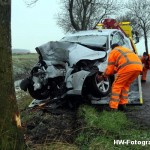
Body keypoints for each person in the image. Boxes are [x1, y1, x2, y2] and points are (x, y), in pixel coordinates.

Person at [97, 43, 142, 111]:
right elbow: (116, 69)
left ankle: (113, 107)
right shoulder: (125, 49)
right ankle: (123, 105)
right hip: (138, 67)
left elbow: (109, 70)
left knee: (116, 86)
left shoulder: (113, 52)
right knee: (125, 85)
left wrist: (103, 76)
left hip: (127, 67)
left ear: (112, 48)